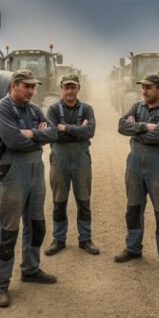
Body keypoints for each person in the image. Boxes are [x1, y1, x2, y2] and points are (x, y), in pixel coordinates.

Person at [0, 69, 58, 308]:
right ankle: (0, 283)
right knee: (7, 231)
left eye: (33, 87)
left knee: (36, 224)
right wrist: (39, 136)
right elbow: (14, 141)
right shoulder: (1, 109)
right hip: (11, 172)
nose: (31, 91)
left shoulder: (33, 109)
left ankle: (30, 268)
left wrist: (33, 133)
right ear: (13, 86)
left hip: (35, 171)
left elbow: (53, 133)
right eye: (26, 86)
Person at [115, 73, 159, 276]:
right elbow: (121, 126)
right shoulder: (137, 106)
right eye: (143, 87)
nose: (144, 91)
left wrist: (135, 132)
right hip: (134, 164)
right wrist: (143, 127)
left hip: (158, 165)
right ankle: (133, 248)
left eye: (149, 87)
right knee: (133, 208)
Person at [43, 74, 99, 256]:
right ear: (61, 88)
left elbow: (90, 131)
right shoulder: (52, 109)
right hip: (59, 160)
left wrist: (65, 128)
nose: (69, 91)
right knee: (59, 201)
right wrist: (78, 130)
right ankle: (59, 239)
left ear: (78, 88)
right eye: (66, 87)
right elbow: (52, 135)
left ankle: (85, 239)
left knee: (84, 200)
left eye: (72, 87)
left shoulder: (87, 109)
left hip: (82, 160)